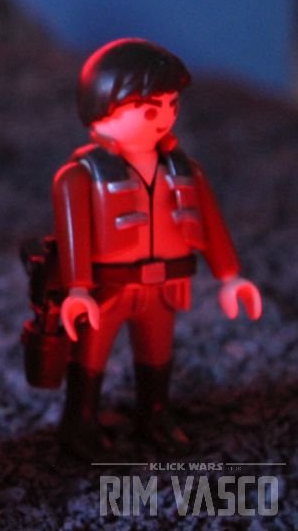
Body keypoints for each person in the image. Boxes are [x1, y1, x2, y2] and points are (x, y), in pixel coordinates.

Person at [52, 38, 261, 458]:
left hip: (164, 286)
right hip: (108, 289)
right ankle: (81, 422)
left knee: (157, 354)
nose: (164, 118)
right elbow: (74, 235)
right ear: (102, 108)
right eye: (150, 110)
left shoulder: (182, 169)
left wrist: (230, 276)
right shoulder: (81, 177)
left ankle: (155, 414)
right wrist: (77, 289)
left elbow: (210, 223)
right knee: (90, 357)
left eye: (171, 106)